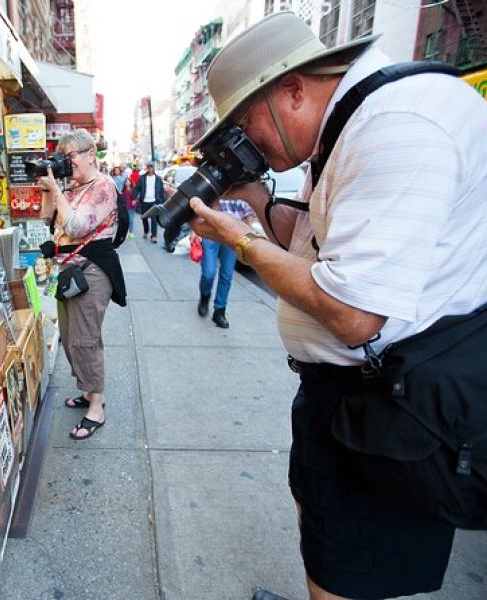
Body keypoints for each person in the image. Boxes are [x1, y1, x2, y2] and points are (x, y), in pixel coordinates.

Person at [187, 12, 487, 600]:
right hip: (346, 399)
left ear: (292, 90)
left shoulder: (396, 126)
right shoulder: (354, 123)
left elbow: (354, 313)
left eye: (246, 125)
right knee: (327, 544)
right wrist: (253, 201)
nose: (248, 145)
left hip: (386, 408)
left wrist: (238, 239)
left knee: (352, 569)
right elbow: (310, 248)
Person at [38, 128, 127, 440]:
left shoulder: (103, 187)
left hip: (92, 271)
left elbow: (75, 227)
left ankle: (97, 407)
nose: (66, 162)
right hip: (69, 271)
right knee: (70, 335)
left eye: (71, 155)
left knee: (86, 339)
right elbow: (44, 216)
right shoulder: (74, 187)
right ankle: (88, 391)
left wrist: (59, 192)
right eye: (63, 156)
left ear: (91, 154)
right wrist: (51, 189)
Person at [195, 199, 255, 328]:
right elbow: (200, 207)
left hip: (233, 236)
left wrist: (248, 234)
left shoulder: (241, 187)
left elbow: (249, 212)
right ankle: (205, 296)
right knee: (208, 272)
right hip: (211, 233)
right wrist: (194, 231)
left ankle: (219, 311)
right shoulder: (217, 184)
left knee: (226, 275)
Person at [133, 162, 165, 243]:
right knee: (144, 218)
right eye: (149, 167)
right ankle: (146, 231)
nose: (150, 169)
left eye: (152, 167)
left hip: (154, 201)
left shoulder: (158, 178)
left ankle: (153, 236)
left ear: (154, 168)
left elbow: (161, 190)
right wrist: (134, 197)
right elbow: (137, 188)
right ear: (147, 168)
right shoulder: (142, 178)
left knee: (154, 219)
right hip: (144, 201)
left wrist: (162, 201)